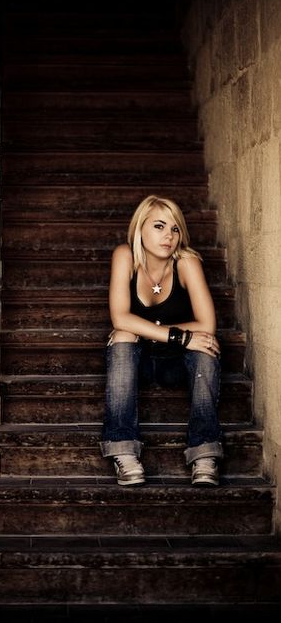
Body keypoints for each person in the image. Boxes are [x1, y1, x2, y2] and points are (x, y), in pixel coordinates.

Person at [100, 194, 223, 487]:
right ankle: (123, 449)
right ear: (139, 228)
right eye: (159, 226)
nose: (169, 235)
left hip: (176, 364)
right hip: (137, 362)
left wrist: (153, 331)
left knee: (205, 346)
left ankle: (204, 453)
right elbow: (120, 318)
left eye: (175, 228)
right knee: (123, 336)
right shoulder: (125, 256)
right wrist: (180, 335)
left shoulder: (186, 262)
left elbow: (207, 325)